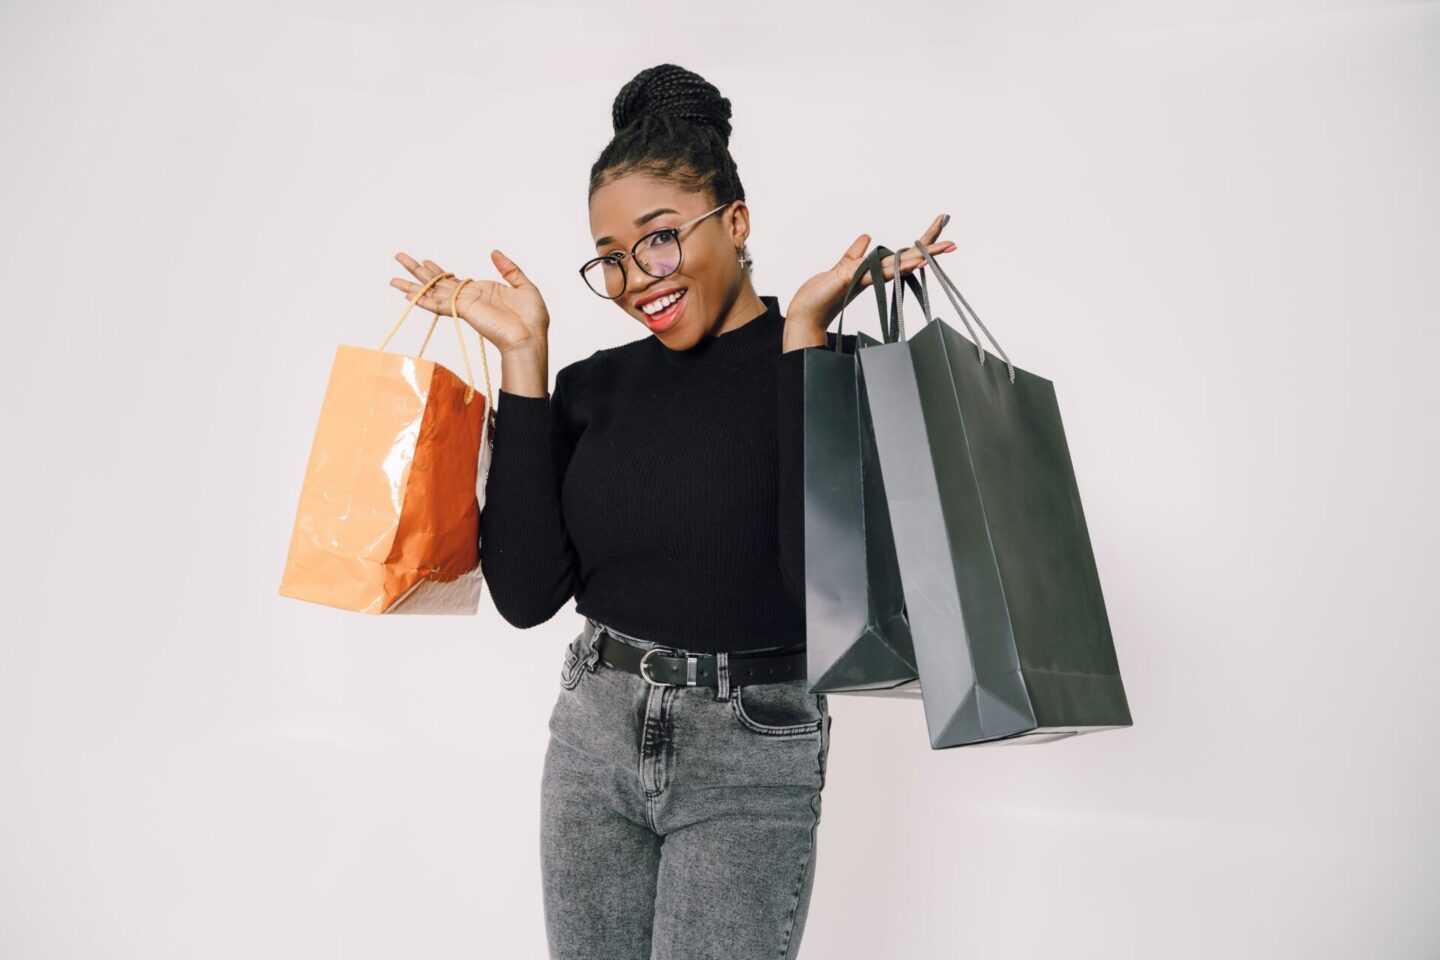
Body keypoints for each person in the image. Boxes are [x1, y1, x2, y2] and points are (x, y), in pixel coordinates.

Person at [389, 62, 952, 960]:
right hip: (592, 734)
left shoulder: (822, 368)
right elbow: (529, 595)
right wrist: (525, 362)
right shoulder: (589, 389)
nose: (635, 279)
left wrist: (804, 339)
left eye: (656, 240)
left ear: (735, 221)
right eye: (610, 260)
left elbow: (825, 598)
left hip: (751, 752)